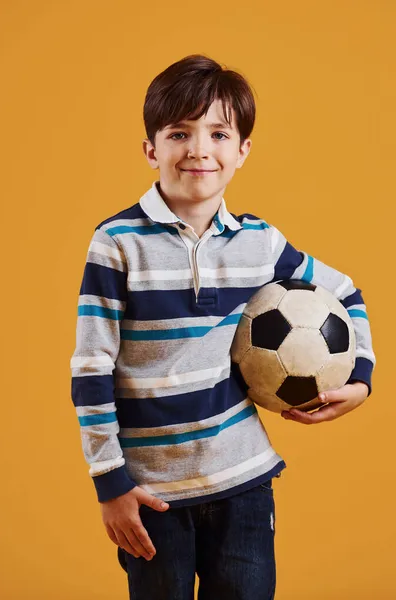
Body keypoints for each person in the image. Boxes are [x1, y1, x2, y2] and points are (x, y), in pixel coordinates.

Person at [70, 54, 376, 600]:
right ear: (151, 149)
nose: (198, 149)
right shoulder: (117, 244)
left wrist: (361, 379)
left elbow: (346, 291)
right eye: (179, 133)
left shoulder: (260, 242)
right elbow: (91, 371)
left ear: (242, 151)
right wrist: (110, 484)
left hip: (245, 483)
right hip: (151, 494)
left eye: (218, 133)